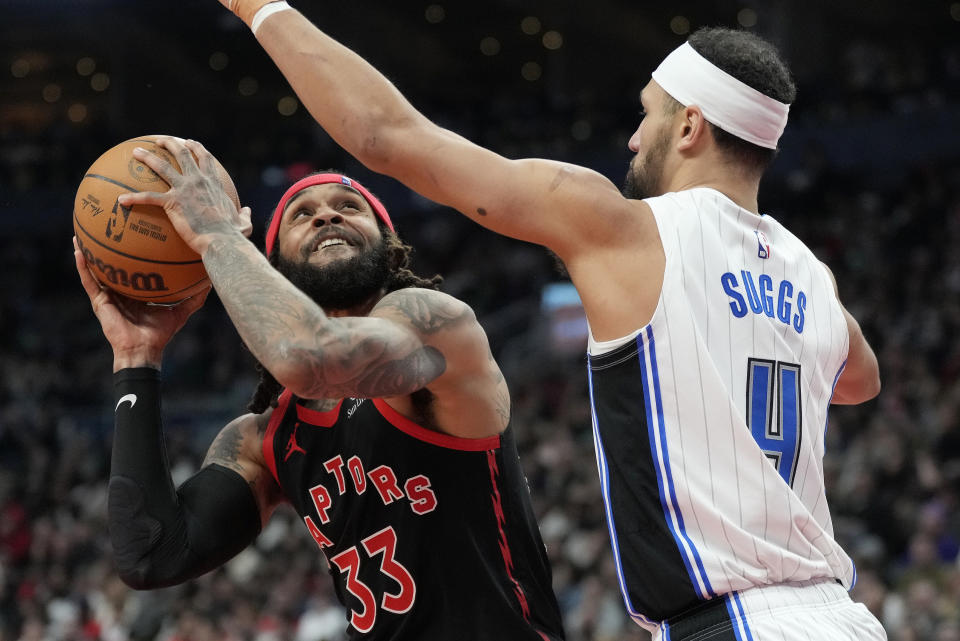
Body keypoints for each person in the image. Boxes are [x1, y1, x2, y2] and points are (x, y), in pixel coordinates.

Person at [213, 2, 887, 639]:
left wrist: (258, 10)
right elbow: (859, 379)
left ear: (689, 127)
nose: (632, 136)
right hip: (842, 614)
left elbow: (386, 136)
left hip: (739, 621)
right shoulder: (812, 276)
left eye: (646, 115)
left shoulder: (623, 227)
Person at [75, 161, 566, 641]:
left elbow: (311, 357)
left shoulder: (437, 325)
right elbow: (152, 554)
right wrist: (137, 358)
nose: (327, 215)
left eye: (349, 206)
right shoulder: (264, 438)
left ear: (388, 244)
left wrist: (218, 237)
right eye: (301, 213)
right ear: (276, 272)